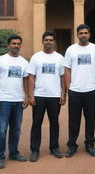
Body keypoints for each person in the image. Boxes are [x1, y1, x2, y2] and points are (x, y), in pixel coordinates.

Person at [0, 34, 28, 169]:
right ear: (8, 45)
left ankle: (13, 153)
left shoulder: (24, 62)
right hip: (4, 100)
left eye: (18, 43)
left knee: (16, 129)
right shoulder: (0, 60)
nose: (16, 46)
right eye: (13, 43)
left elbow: (25, 80)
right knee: (1, 130)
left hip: (18, 100)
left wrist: (26, 96)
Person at [28, 31, 66, 162]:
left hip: (54, 96)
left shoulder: (60, 58)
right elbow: (31, 78)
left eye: (51, 40)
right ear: (42, 41)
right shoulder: (36, 57)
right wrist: (31, 95)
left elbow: (63, 78)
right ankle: (34, 150)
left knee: (54, 123)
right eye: (46, 40)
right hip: (39, 96)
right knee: (36, 123)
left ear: (54, 42)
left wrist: (63, 93)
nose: (48, 42)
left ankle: (54, 147)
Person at [63, 24, 95, 158]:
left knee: (90, 119)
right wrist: (68, 88)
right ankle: (72, 145)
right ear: (77, 34)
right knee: (74, 120)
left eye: (86, 33)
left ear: (89, 34)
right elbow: (67, 69)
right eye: (81, 33)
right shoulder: (71, 50)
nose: (83, 35)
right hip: (75, 91)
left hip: (91, 90)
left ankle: (90, 144)